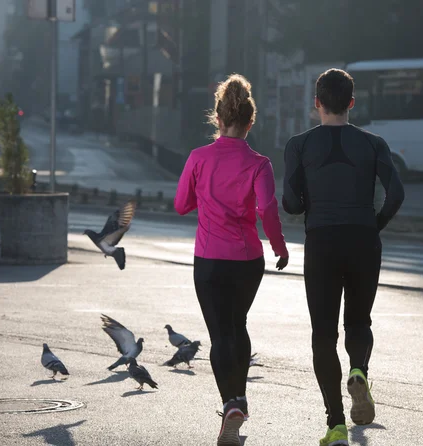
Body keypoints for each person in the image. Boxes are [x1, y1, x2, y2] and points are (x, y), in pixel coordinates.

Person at [282, 68, 405, 445]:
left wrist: (307, 202)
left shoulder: (299, 145)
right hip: (363, 239)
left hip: (322, 241)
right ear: (352, 103)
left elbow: (289, 203)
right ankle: (359, 371)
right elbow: (396, 193)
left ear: (316, 103)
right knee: (358, 320)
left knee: (323, 333)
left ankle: (335, 424)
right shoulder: (373, 143)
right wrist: (374, 225)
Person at [174, 73, 289, 446]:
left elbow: (180, 205)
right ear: (250, 122)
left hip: (208, 260)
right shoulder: (260, 163)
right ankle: (238, 402)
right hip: (247, 259)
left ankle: (230, 405)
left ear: (218, 120)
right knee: (237, 324)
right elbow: (267, 208)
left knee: (218, 334)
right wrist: (279, 246)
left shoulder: (198, 158)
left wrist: (201, 199)